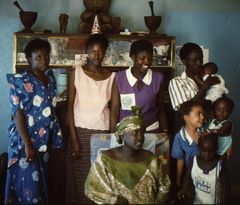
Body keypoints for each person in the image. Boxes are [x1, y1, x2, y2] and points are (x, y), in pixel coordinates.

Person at [5, 38, 63, 204]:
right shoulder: (20, 81)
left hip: (43, 141)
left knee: (40, 184)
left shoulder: (49, 79)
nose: (44, 60)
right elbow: (17, 114)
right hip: (25, 142)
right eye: (38, 57)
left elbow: (48, 106)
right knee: (27, 188)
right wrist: (28, 144)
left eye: (46, 56)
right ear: (29, 60)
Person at [85, 106, 171, 204]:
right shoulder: (105, 159)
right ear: (122, 136)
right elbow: (93, 190)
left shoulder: (151, 159)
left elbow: (164, 187)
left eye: (142, 133)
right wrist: (115, 201)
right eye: (134, 133)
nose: (140, 137)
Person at [66, 34, 115, 204]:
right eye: (93, 51)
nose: (96, 55)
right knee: (79, 179)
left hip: (102, 134)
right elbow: (69, 106)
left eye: (100, 52)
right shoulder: (76, 73)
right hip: (80, 133)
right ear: (86, 51)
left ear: (105, 53)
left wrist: (112, 137)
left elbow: (115, 109)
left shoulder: (112, 77)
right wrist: (74, 139)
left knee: (100, 179)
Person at [110, 39, 168, 134]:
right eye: (142, 58)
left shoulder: (158, 78)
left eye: (150, 59)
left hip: (151, 130)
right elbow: (114, 110)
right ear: (133, 57)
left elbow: (161, 108)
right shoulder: (119, 78)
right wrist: (113, 135)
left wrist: (165, 131)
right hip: (126, 132)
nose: (147, 62)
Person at [168, 42, 220, 111]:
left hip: (213, 121)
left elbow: (221, 100)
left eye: (201, 58)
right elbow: (184, 110)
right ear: (184, 61)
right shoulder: (177, 82)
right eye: (194, 60)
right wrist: (205, 87)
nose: (199, 63)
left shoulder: (209, 76)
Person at [177, 134, 226, 204]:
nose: (207, 155)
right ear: (199, 148)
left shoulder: (219, 165)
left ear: (216, 149)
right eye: (203, 151)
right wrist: (185, 188)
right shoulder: (193, 161)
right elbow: (187, 177)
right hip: (197, 202)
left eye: (210, 151)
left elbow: (224, 187)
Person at [171, 100, 205, 190]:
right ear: (186, 117)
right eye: (198, 114)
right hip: (192, 177)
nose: (202, 117)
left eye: (203, 113)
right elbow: (180, 160)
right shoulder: (179, 137)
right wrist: (178, 180)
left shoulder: (205, 132)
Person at [207, 96, 234, 160]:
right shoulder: (214, 120)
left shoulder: (227, 123)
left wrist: (208, 131)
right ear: (214, 110)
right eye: (218, 109)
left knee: (220, 165)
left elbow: (221, 132)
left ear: (230, 112)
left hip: (223, 150)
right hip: (213, 149)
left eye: (225, 110)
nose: (221, 112)